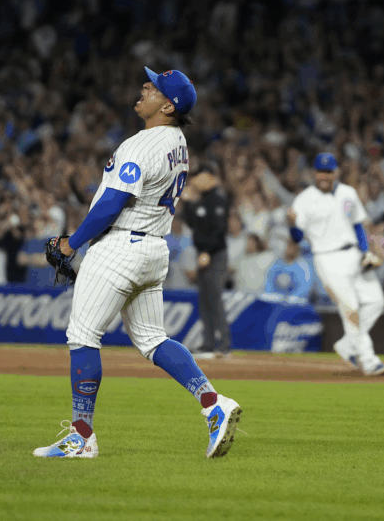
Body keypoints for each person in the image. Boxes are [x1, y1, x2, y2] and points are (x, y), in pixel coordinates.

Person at [34, 67, 241, 460]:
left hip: (120, 247)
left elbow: (112, 203)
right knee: (151, 339)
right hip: (153, 248)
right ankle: (213, 402)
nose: (143, 89)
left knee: (82, 336)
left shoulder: (141, 145)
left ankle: (81, 437)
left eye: (152, 88)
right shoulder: (177, 141)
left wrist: (72, 243)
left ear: (167, 104)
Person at [287, 152, 384, 377]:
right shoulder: (304, 199)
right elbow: (296, 237)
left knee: (376, 302)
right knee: (350, 307)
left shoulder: (348, 193)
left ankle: (347, 345)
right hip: (326, 258)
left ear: (336, 172)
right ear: (315, 173)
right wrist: (292, 224)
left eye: (329, 171)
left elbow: (358, 226)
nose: (325, 175)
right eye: (321, 171)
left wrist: (365, 252)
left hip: (353, 253)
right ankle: (368, 360)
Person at [181, 161, 232, 360]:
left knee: (215, 298)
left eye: (200, 176)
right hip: (203, 254)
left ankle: (224, 345)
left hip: (215, 254)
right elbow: (193, 223)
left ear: (209, 178)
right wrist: (187, 203)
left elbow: (219, 229)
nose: (195, 180)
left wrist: (208, 252)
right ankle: (209, 343)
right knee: (205, 300)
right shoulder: (201, 199)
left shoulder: (218, 198)